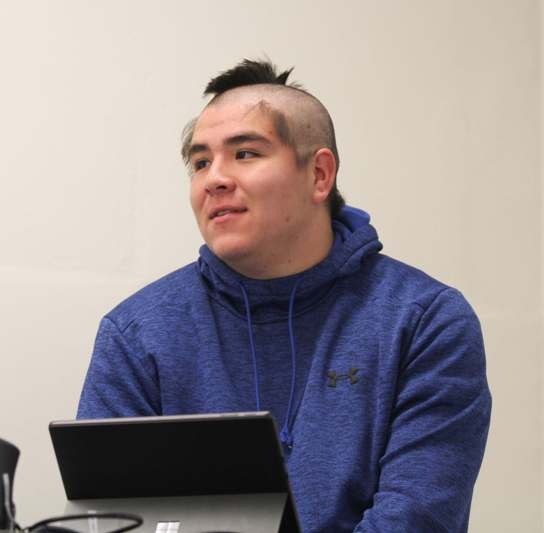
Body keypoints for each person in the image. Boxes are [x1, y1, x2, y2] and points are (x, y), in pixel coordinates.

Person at [76, 59, 491, 533]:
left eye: (246, 154)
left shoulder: (423, 321)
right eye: (200, 162)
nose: (214, 179)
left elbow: (418, 518)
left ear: (319, 175)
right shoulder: (137, 333)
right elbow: (114, 522)